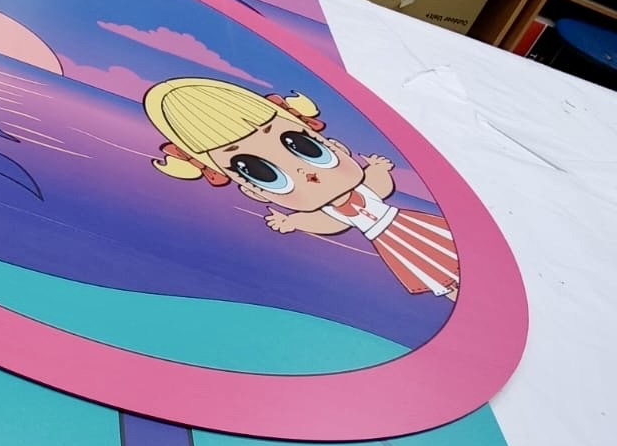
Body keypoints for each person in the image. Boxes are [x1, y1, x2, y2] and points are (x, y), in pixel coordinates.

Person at [143, 77, 459, 299]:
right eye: (260, 173)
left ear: (335, 146)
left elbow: (376, 185)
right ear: (253, 191)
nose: (306, 174)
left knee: (453, 258)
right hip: (392, 240)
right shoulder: (333, 213)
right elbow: (329, 223)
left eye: (306, 147)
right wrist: (292, 221)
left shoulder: (362, 189)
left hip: (410, 225)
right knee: (435, 274)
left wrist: (377, 169)